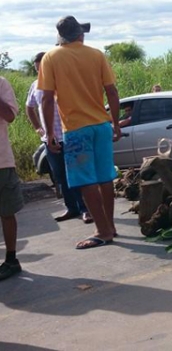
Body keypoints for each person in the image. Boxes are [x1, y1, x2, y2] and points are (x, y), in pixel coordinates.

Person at [38, 15, 122, 250]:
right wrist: (115, 124)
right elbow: (112, 92)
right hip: (101, 126)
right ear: (80, 35)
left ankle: (103, 230)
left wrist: (49, 133)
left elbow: (46, 99)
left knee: (86, 181)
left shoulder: (51, 57)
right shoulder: (96, 55)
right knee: (105, 177)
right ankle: (110, 226)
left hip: (76, 129)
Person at [26, 52, 92, 224]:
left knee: (77, 174)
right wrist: (38, 129)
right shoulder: (35, 86)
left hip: (70, 135)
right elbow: (29, 107)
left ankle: (87, 209)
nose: (40, 72)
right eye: (37, 69)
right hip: (50, 139)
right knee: (60, 176)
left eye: (42, 68)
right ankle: (72, 208)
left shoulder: (63, 81)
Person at [0, 77, 24, 281]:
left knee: (6, 212)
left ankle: (11, 259)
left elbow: (9, 115)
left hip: (1, 162)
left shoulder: (1, 83)